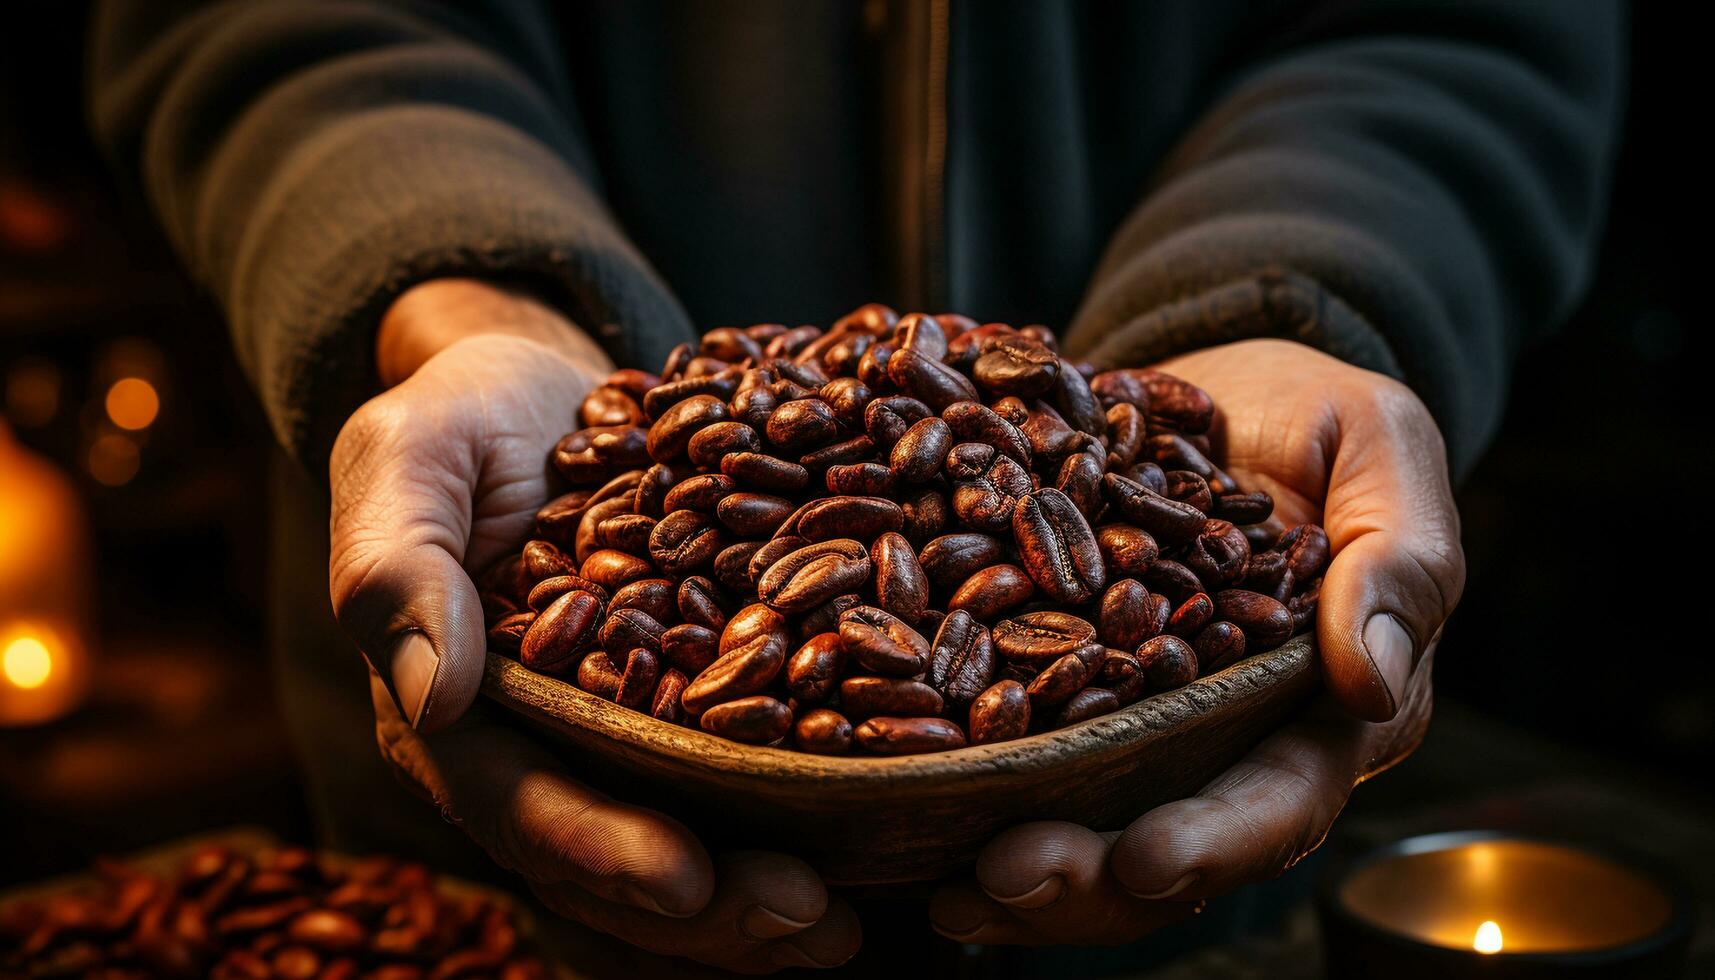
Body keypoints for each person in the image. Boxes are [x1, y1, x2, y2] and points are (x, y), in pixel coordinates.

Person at [89, 1, 1622, 971]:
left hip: (1167, 881)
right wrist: (462, 296)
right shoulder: (637, 559)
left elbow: (1460, 25)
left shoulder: (1121, 541)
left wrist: (1294, 304)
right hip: (513, 871)